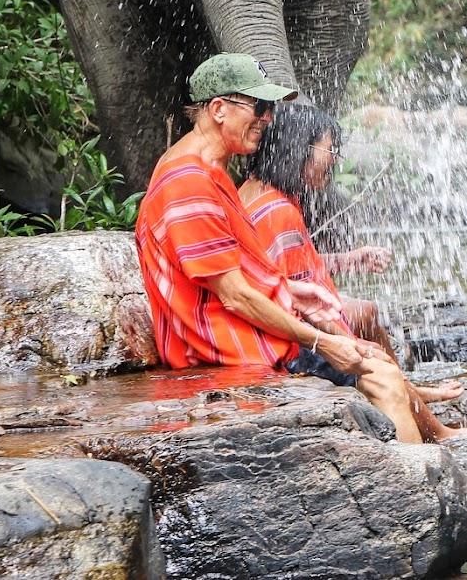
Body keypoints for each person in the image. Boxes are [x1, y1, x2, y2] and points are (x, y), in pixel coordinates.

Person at [135, 52, 422, 443]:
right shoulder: (188, 183)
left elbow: (230, 276)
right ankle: (417, 485)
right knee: (381, 377)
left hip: (243, 337)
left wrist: (289, 291)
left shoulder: (208, 170)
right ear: (218, 109)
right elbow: (234, 297)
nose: (268, 119)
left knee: (374, 364)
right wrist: (322, 342)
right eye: (259, 107)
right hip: (226, 350)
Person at [240, 104, 467, 441]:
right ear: (297, 150)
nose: (333, 160)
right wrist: (349, 346)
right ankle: (432, 427)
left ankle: (410, 392)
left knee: (366, 316)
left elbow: (281, 272)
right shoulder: (278, 211)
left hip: (269, 328)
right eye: (328, 150)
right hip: (280, 341)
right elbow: (300, 306)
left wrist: (347, 260)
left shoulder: (254, 192)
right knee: (378, 360)